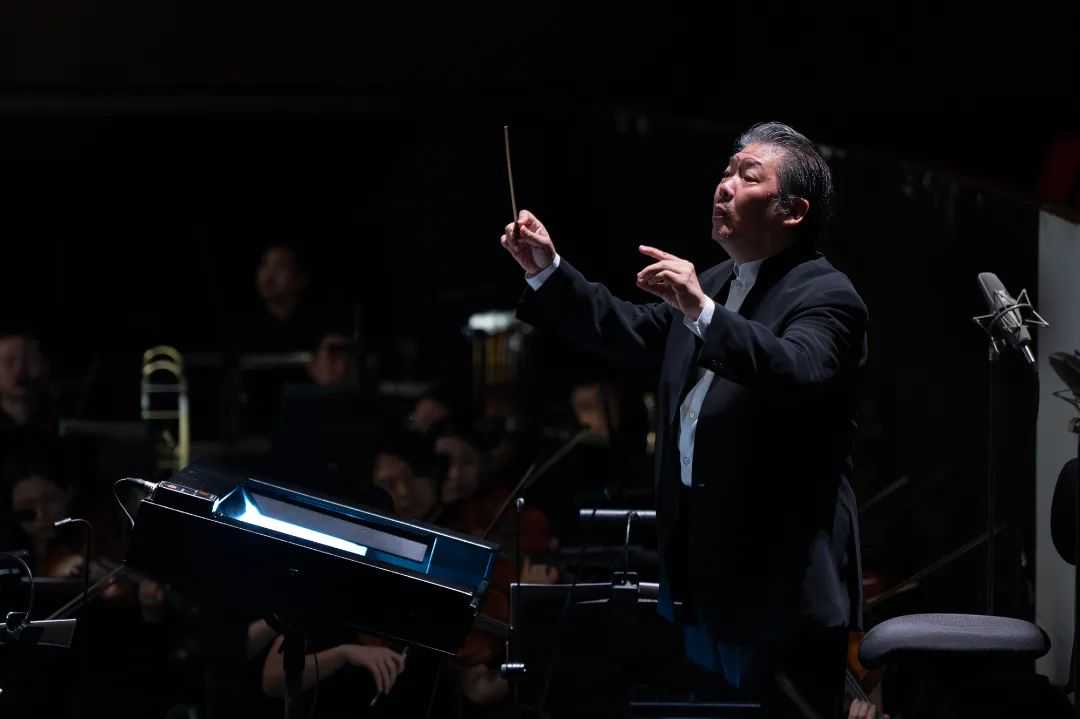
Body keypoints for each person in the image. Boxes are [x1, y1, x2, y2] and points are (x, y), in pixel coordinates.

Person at [499, 122, 868, 718]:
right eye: (726, 171)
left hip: (778, 591)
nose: (725, 185)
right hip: (702, 584)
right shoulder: (719, 283)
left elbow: (796, 369)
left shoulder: (827, 294)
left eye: (748, 176)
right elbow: (626, 329)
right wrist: (548, 270)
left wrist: (701, 309)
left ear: (793, 211)